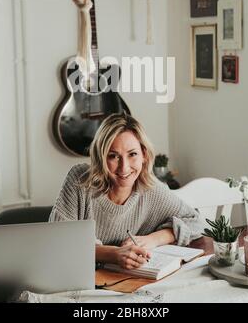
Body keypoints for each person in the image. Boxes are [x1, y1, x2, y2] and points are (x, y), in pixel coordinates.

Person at [49, 113, 204, 270]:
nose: (124, 167)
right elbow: (57, 241)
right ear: (101, 157)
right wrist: (113, 254)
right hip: (78, 280)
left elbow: (197, 223)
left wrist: (155, 239)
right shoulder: (79, 179)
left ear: (144, 154)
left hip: (129, 284)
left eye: (132, 154)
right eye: (113, 156)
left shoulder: (151, 189)